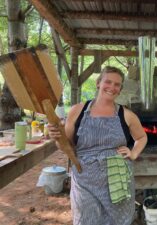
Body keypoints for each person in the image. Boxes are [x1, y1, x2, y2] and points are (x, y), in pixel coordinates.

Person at [48, 66, 147, 225]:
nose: (112, 87)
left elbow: (142, 137)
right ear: (98, 83)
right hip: (84, 178)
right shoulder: (77, 111)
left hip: (117, 178)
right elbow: (68, 146)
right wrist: (57, 138)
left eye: (117, 85)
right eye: (108, 82)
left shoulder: (126, 115)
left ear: (120, 89)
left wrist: (134, 153)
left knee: (118, 220)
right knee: (86, 219)